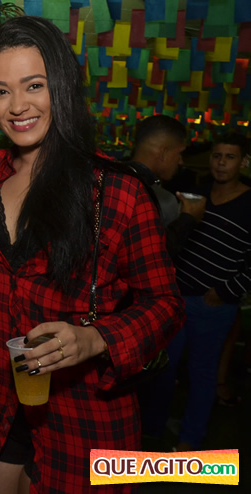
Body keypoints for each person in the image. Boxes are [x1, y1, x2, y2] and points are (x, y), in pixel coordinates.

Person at [0, 17, 182, 493]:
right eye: (0, 91)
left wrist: (96, 339)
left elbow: (166, 303)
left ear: (61, 86)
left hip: (86, 418)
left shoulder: (117, 193)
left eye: (34, 85)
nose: (17, 106)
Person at [141, 133, 251, 452]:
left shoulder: (248, 204)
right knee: (164, 368)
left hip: (213, 305)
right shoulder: (196, 196)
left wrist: (225, 291)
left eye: (230, 157)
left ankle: (190, 440)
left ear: (243, 162)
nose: (221, 163)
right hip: (176, 299)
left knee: (202, 374)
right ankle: (151, 432)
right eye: (217, 156)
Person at [129, 114, 205, 257]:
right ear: (163, 153)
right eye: (180, 153)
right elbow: (152, 254)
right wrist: (188, 218)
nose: (181, 161)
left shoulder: (107, 176)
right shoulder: (161, 199)